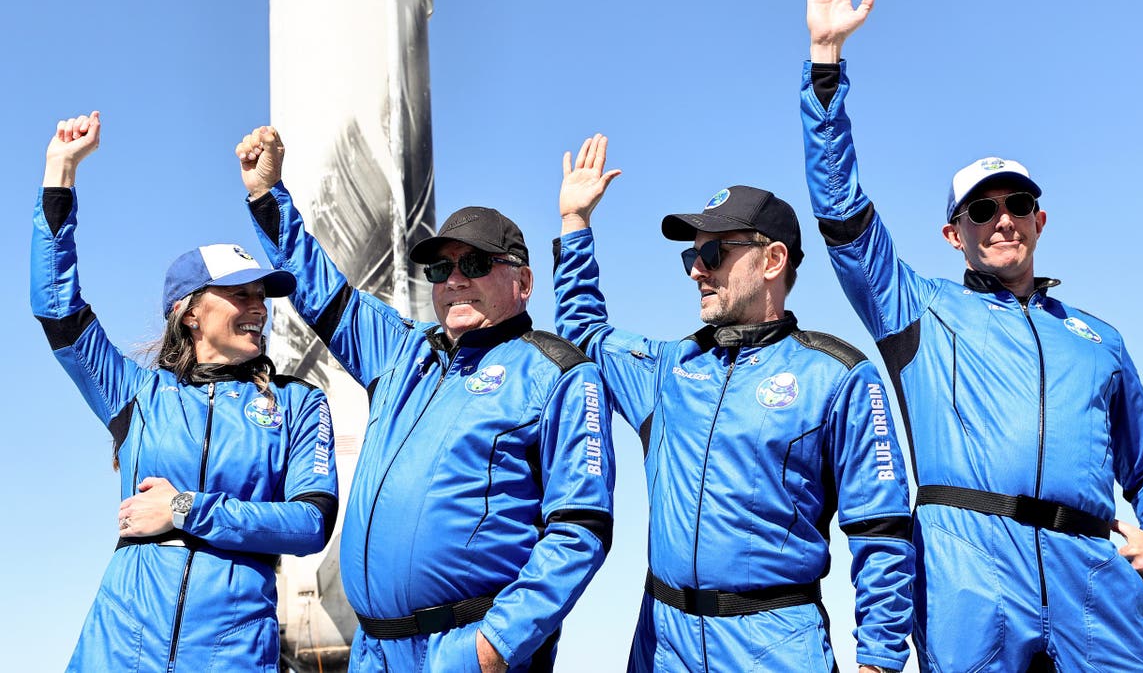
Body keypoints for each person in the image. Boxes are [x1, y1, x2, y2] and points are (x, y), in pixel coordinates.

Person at [800, 0, 1143, 670]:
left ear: (1040, 220)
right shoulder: (916, 311)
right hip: (969, 582)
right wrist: (825, 68)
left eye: (1017, 204)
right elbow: (841, 214)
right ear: (954, 235)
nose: (1002, 219)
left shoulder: (1098, 341)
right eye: (982, 209)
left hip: (1095, 588)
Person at [234, 126, 616, 673]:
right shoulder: (402, 352)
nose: (455, 280)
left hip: (463, 652)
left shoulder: (558, 374)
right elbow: (318, 287)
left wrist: (494, 647)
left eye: (476, 265)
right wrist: (267, 194)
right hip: (373, 653)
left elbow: (581, 528)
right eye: (441, 269)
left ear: (524, 282)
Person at [554, 134, 914, 673]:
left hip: (775, 647)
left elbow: (881, 532)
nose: (697, 270)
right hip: (661, 647)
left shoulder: (838, 376)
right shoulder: (667, 370)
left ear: (773, 260)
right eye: (691, 256)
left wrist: (879, 661)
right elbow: (584, 335)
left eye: (712, 252)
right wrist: (575, 223)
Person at [31, 111, 340, 672]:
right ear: (189, 312)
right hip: (118, 648)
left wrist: (183, 509)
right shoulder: (136, 394)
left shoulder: (299, 401)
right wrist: (60, 174)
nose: (258, 307)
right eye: (238, 294)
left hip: (233, 653)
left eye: (261, 295)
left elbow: (309, 523)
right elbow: (58, 309)